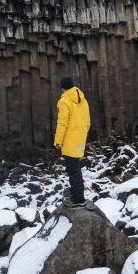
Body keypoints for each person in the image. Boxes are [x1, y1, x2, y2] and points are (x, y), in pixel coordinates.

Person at [54, 75, 91, 207]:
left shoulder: (64, 101)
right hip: (80, 139)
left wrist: (58, 141)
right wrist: (82, 135)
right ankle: (78, 197)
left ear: (62, 87)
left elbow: (62, 123)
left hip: (69, 141)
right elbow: (87, 122)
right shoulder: (83, 100)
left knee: (73, 171)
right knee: (76, 169)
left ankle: (78, 199)